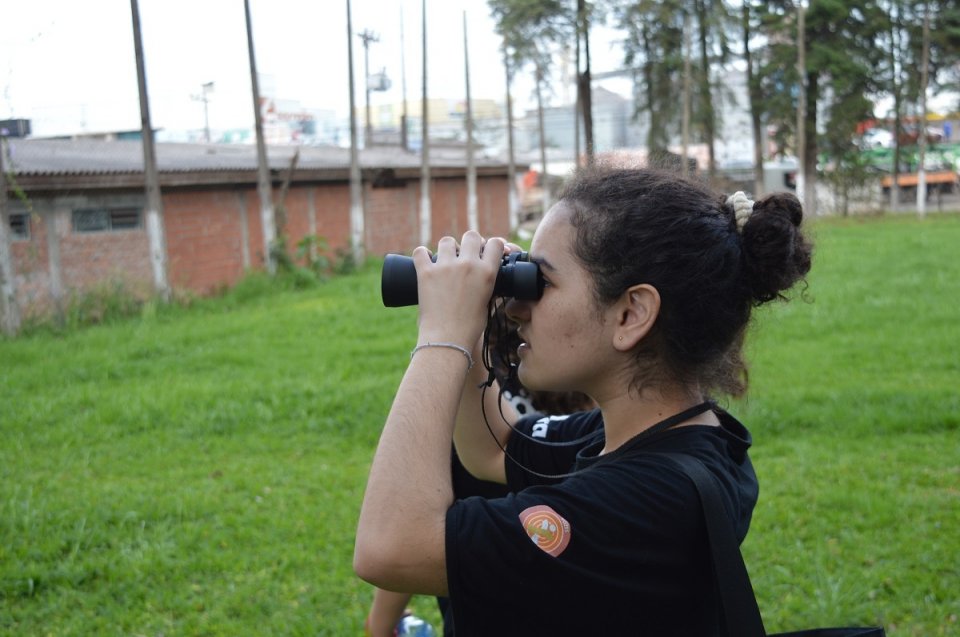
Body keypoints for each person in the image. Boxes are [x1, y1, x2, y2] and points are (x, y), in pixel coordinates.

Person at [355, 165, 812, 635]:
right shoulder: (663, 432)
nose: (516, 308)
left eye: (542, 283)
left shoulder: (649, 501)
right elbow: (495, 449)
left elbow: (390, 547)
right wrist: (470, 333)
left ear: (631, 313)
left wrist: (441, 335)